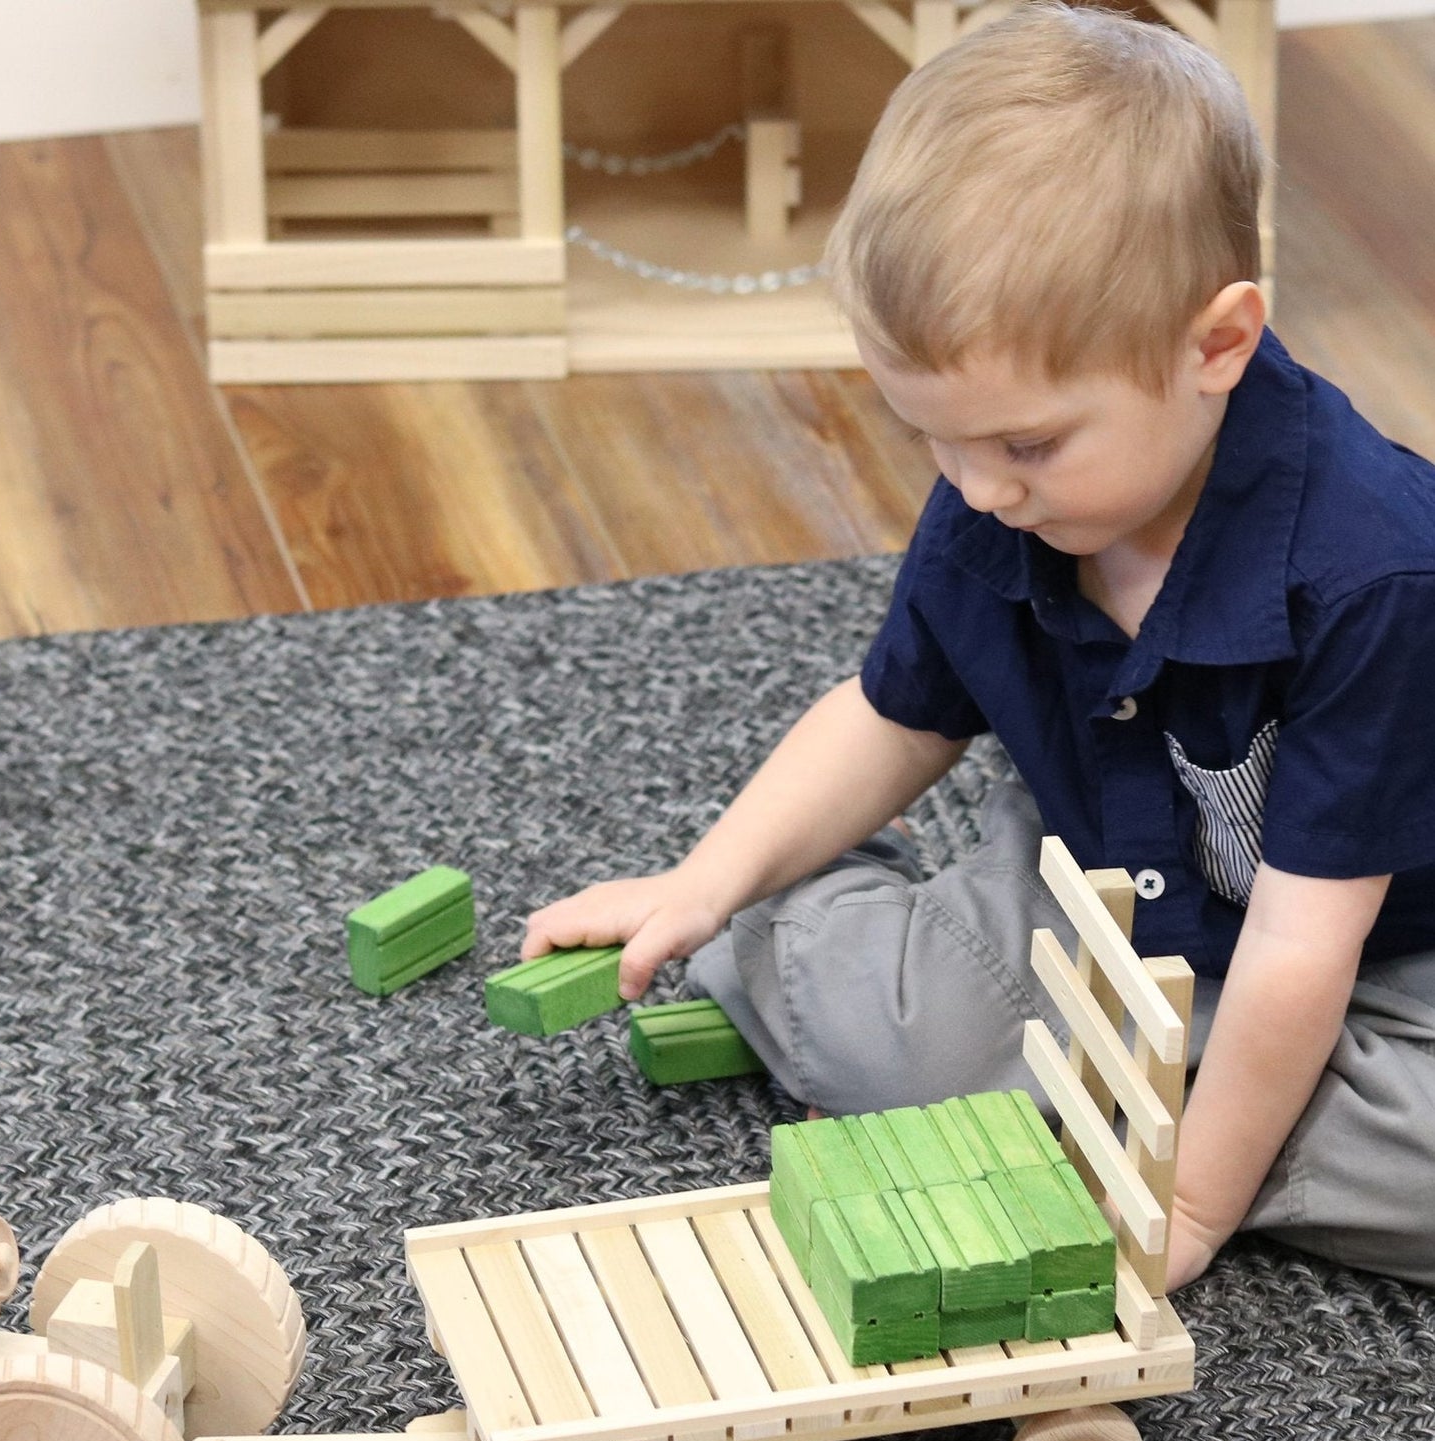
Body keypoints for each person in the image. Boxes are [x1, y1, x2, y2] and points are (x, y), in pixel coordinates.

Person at [522, 1, 1435, 1292]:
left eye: (1023, 444)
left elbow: (1303, 948)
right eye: (928, 440)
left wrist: (1189, 1205)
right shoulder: (994, 496)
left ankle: (1151, 1094)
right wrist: (704, 882)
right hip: (1098, 883)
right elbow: (892, 715)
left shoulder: (1376, 574)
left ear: (1215, 345)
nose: (974, 488)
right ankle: (907, 978)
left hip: (1372, 947)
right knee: (893, 1039)